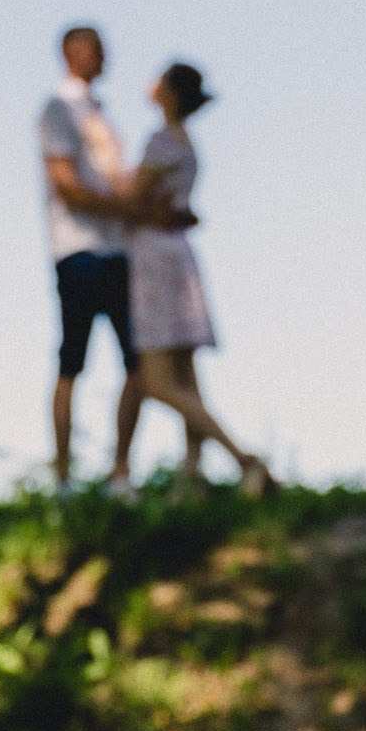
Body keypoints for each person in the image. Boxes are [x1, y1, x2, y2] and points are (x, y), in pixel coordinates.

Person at [123, 62, 272, 493]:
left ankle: (243, 459)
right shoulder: (187, 144)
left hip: (153, 259)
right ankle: (191, 477)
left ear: (169, 92)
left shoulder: (161, 142)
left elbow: (132, 201)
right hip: (179, 258)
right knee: (187, 376)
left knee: (157, 381)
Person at [38, 24, 141, 491]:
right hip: (78, 248)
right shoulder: (59, 109)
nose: (105, 57)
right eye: (97, 49)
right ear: (71, 53)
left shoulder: (99, 113)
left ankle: (119, 471)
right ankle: (63, 476)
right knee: (72, 360)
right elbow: (66, 184)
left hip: (115, 248)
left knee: (137, 361)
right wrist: (127, 208)